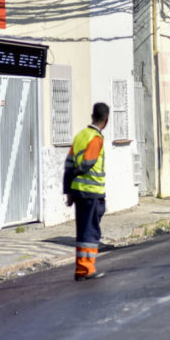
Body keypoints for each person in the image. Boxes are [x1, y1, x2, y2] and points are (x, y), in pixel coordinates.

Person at [64, 102, 110, 281]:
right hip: (91, 192)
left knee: (83, 230)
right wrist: (78, 172)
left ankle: (81, 268)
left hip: (78, 192)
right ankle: (86, 269)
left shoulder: (79, 136)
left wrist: (68, 190)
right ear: (106, 120)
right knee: (90, 231)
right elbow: (87, 163)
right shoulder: (96, 138)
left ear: (92, 116)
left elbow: (68, 165)